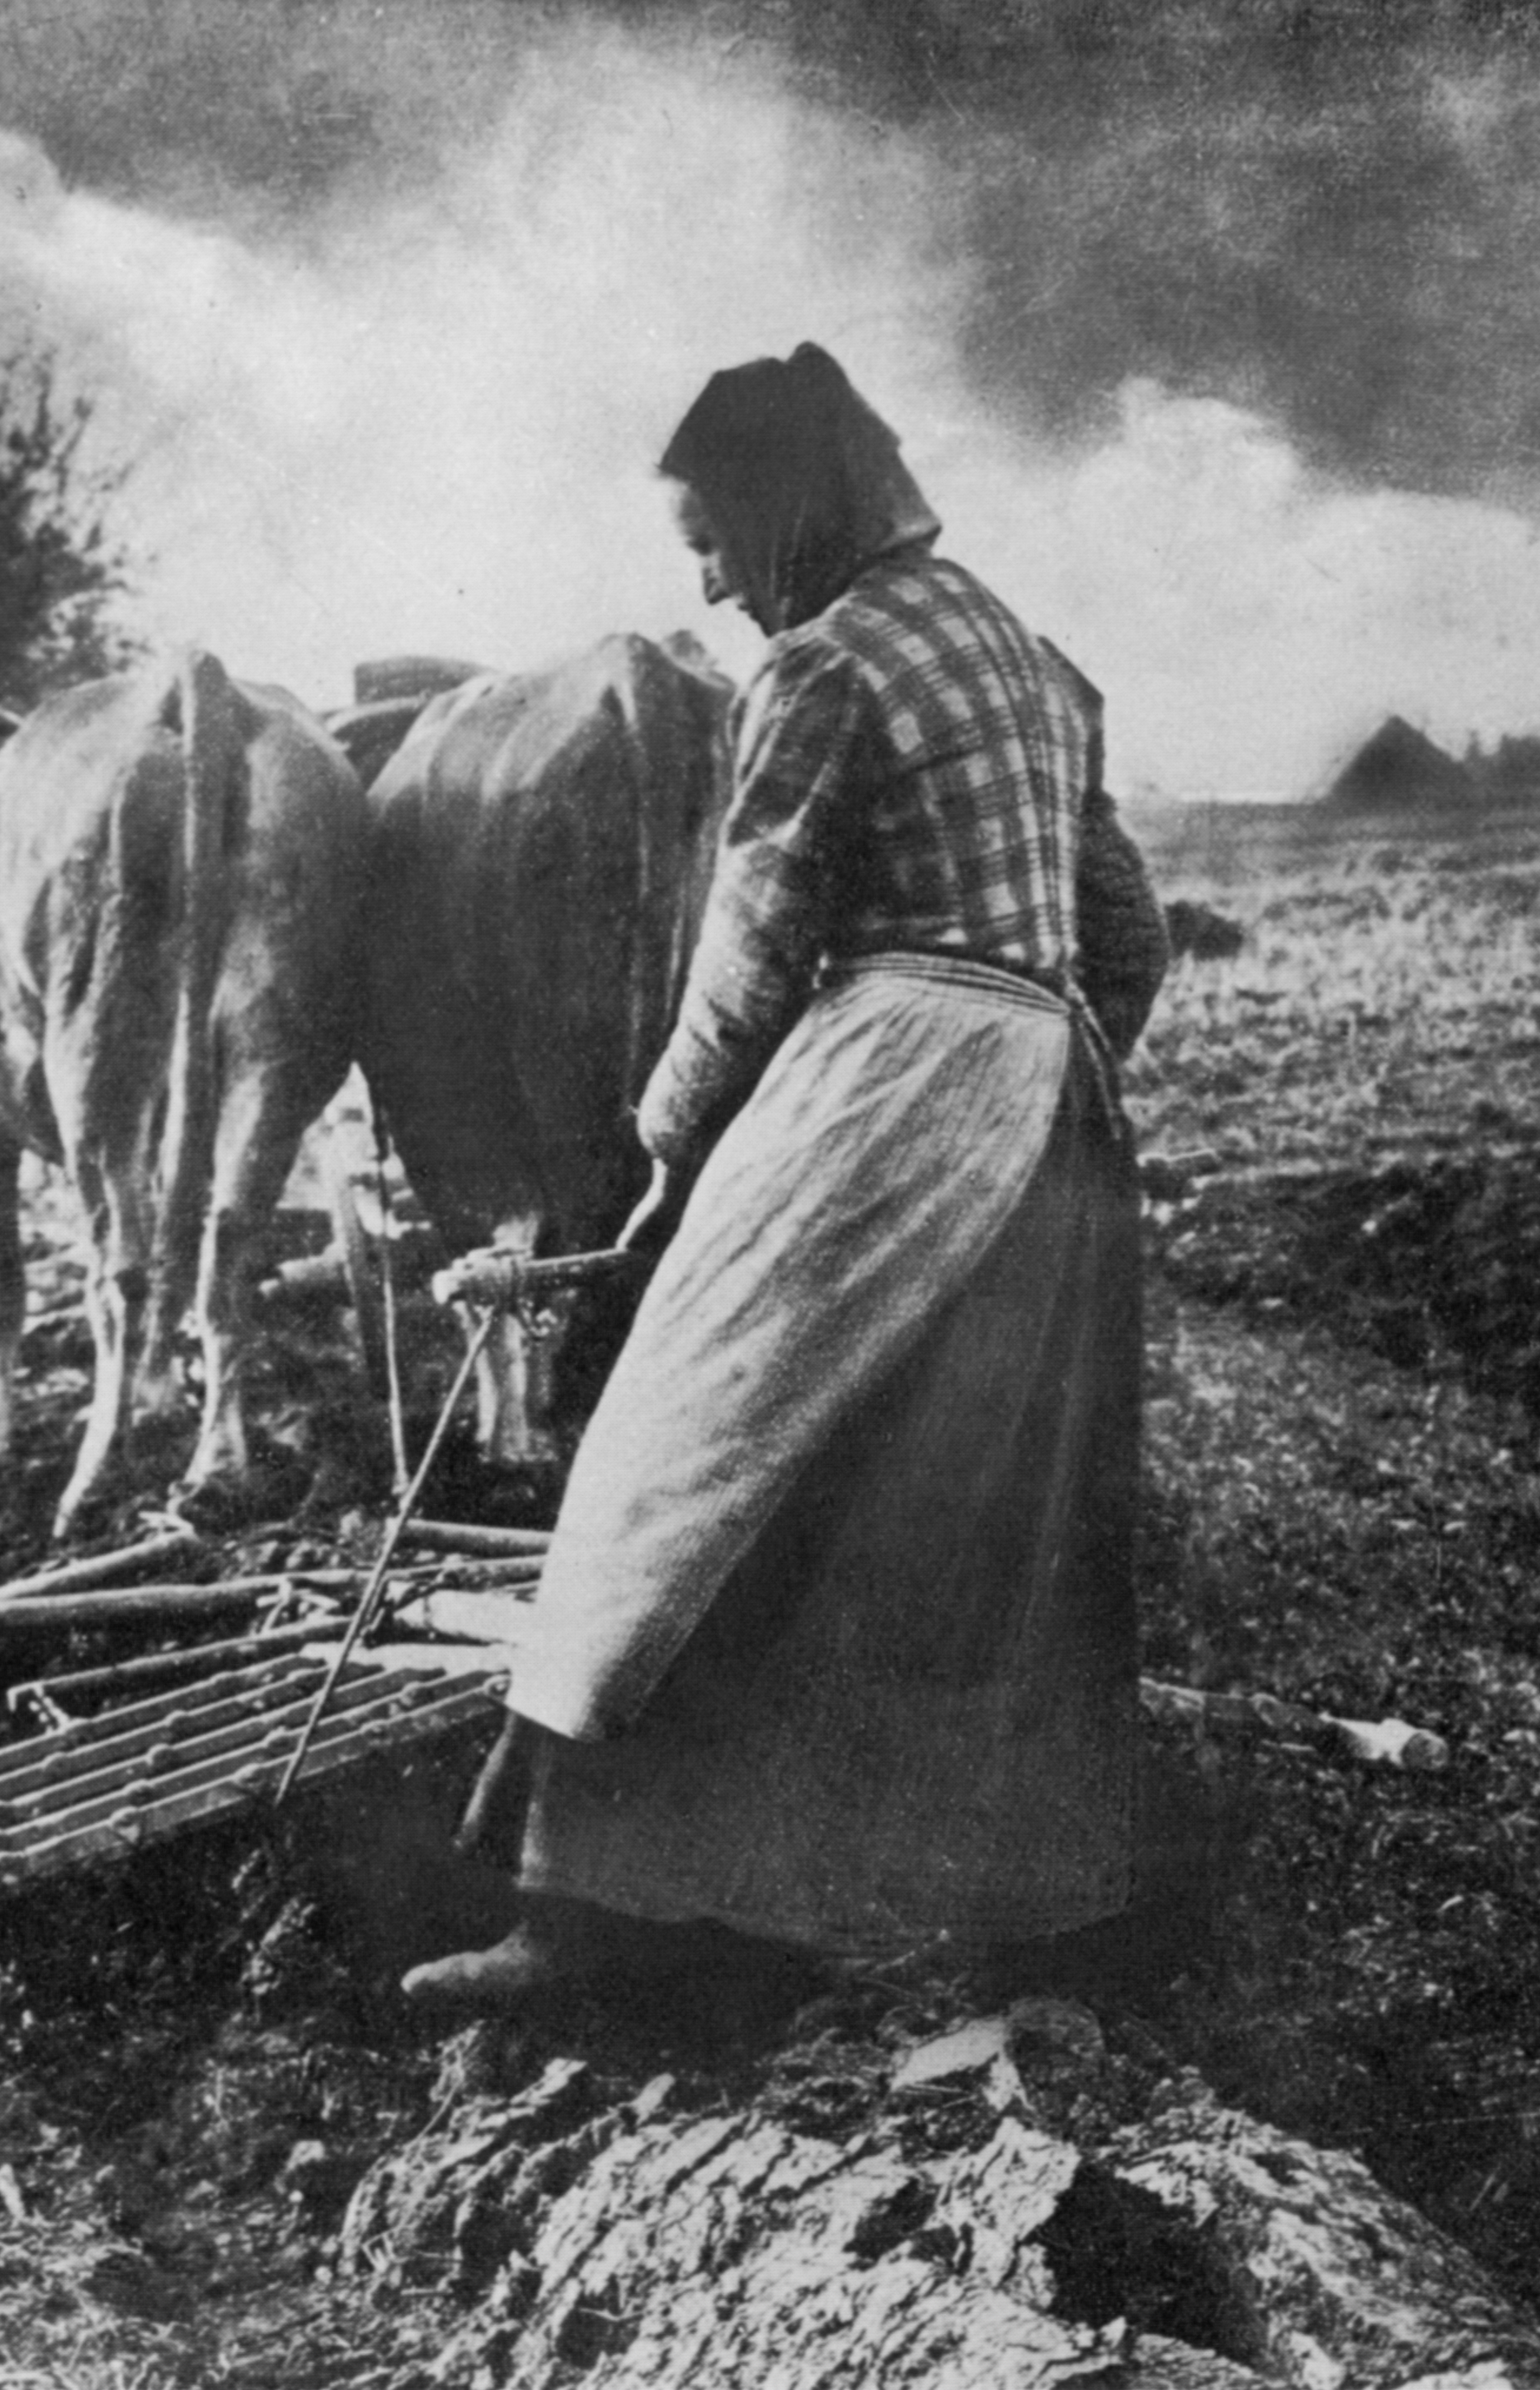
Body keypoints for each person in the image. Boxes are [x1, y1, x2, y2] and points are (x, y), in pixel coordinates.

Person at [404, 343, 1170, 2007]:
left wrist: (663, 1159)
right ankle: (1015, 1922)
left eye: (710, 535)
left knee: (670, 1463)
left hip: (890, 1085)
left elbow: (750, 957)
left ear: (782, 513)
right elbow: (1128, 931)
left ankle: (586, 1920)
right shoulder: (1033, 658)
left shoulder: (821, 670)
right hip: (1053, 1116)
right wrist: (1044, 1060)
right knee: (983, 1524)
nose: (703, 578)